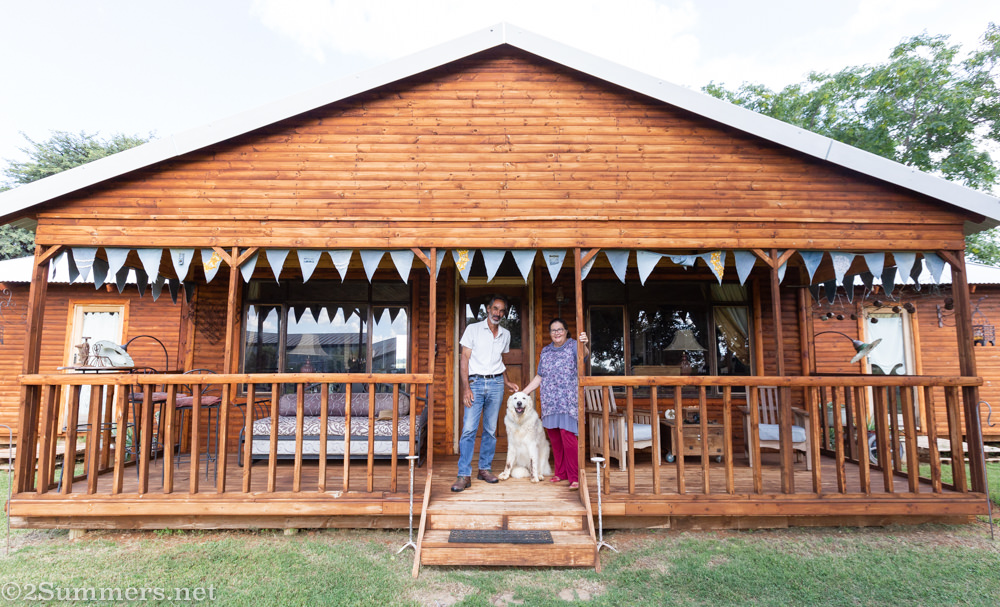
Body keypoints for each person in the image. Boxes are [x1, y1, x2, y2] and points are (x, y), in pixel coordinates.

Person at [452, 295, 520, 492]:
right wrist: (466, 387)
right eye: (495, 309)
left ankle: (484, 468)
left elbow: (500, 360)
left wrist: (506, 381)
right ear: (488, 309)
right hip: (475, 383)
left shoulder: (505, 334)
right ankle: (464, 474)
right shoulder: (473, 329)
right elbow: (464, 359)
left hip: (497, 383)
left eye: (501, 310)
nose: (498, 313)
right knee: (469, 429)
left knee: (490, 429)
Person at [521, 318, 589, 490]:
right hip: (550, 401)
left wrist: (585, 344)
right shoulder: (545, 351)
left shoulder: (574, 345)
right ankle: (561, 472)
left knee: (568, 437)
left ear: (566, 331)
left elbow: (585, 355)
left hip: (568, 400)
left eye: (560, 329)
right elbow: (540, 376)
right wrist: (524, 392)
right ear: (550, 333)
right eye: (553, 330)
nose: (557, 333)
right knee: (555, 439)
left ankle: (575, 477)